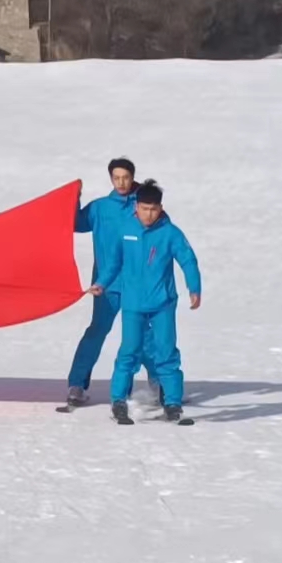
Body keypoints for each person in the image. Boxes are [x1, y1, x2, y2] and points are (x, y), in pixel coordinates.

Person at [90, 180, 202, 424]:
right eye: (144, 208)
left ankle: (172, 403)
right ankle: (118, 401)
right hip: (133, 305)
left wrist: (194, 288)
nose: (148, 214)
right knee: (128, 352)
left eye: (153, 209)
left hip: (162, 304)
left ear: (160, 209)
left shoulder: (170, 232)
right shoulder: (125, 229)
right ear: (136, 208)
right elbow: (114, 264)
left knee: (167, 353)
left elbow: (187, 259)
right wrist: (102, 283)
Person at [65, 156, 159, 408]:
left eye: (125, 177)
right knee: (96, 332)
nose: (121, 182)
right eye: (116, 178)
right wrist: (74, 198)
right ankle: (76, 385)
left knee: (146, 334)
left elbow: (162, 236)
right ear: (110, 179)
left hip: (137, 283)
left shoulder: (141, 207)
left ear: (132, 177)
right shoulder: (99, 209)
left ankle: (159, 382)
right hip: (105, 285)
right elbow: (73, 223)